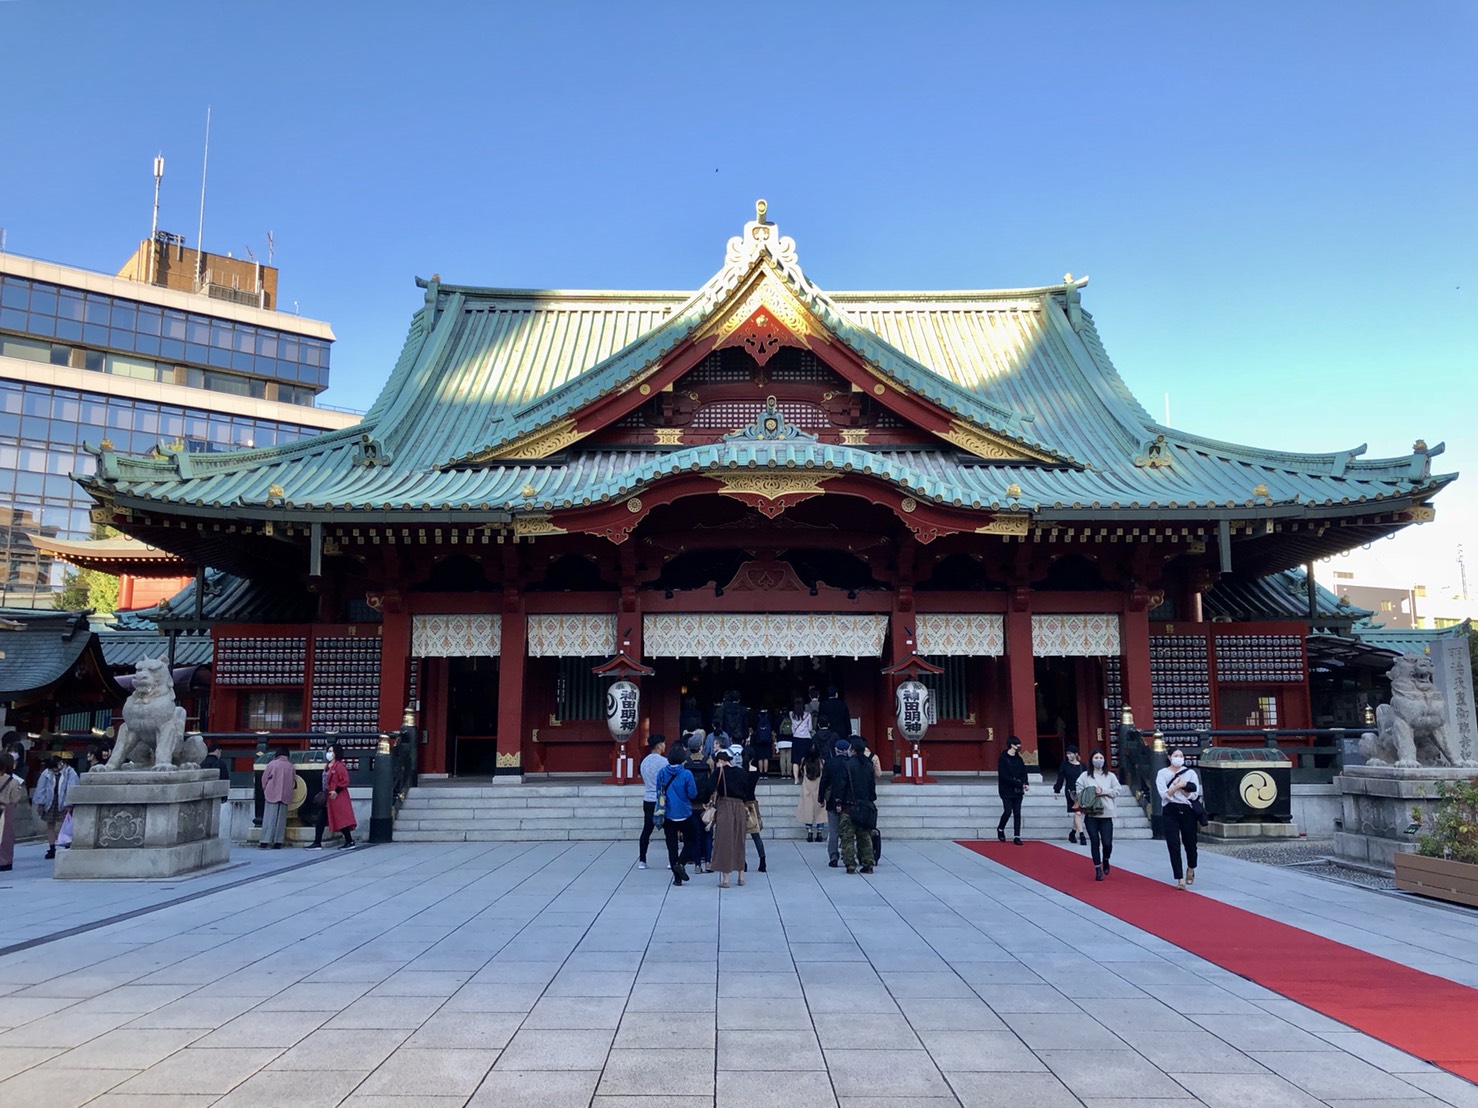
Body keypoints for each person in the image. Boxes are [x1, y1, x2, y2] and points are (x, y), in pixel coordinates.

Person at [1156, 748, 1202, 889]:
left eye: (1181, 756)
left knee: (1190, 843)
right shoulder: (1162, 773)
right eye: (1176, 755)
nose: (1179, 758)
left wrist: (1182, 786)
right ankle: (1179, 878)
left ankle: (1191, 867)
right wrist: (1178, 786)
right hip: (1170, 810)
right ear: (1170, 757)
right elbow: (1165, 794)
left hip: (1187, 809)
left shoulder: (1190, 773)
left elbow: (1194, 794)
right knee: (1173, 844)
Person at [708, 747, 749, 888]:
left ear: (720, 761)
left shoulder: (719, 772)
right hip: (740, 807)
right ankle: (741, 876)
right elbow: (748, 793)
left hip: (725, 806)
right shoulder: (742, 772)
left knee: (725, 841)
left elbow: (708, 789)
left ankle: (726, 879)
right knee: (739, 840)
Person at [658, 746, 697, 886]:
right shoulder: (687, 774)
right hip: (684, 813)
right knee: (691, 840)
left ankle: (677, 878)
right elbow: (692, 793)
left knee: (672, 846)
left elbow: (659, 792)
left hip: (668, 814)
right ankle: (681, 863)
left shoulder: (662, 773)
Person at [1081, 751, 1120, 880]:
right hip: (1091, 813)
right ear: (1091, 760)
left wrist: (1103, 791)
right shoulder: (1085, 776)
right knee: (1094, 841)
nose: (1099, 760)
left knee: (1107, 842)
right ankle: (1097, 868)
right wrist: (1090, 792)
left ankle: (1106, 858)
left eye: (1101, 757)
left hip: (1106, 813)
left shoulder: (1110, 776)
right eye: (1096, 758)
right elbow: (1078, 790)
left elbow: (1117, 791)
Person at [34, 755, 78, 860]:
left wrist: (69, 803)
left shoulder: (70, 772)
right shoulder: (46, 773)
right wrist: (41, 803)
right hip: (51, 801)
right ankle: (52, 847)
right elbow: (41, 788)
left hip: (64, 801)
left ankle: (67, 844)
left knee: (66, 824)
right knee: (50, 824)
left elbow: (72, 787)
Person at [817, 736, 852, 867]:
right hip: (848, 801)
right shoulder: (850, 762)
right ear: (847, 749)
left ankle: (833, 856)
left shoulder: (829, 763)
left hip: (832, 800)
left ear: (836, 750)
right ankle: (848, 854)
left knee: (834, 830)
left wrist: (820, 798)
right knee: (848, 830)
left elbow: (824, 782)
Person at [685, 736, 716, 873]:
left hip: (691, 806)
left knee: (695, 836)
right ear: (701, 747)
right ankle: (708, 862)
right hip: (706, 805)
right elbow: (713, 783)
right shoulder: (709, 761)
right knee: (708, 835)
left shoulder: (685, 763)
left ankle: (697, 865)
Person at [637, 733, 668, 869]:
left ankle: (642, 860)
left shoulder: (644, 762)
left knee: (647, 829)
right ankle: (671, 859)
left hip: (648, 797)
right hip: (661, 797)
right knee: (668, 829)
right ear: (659, 745)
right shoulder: (664, 762)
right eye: (663, 743)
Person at [738, 743, 767, 872]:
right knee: (756, 834)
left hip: (741, 803)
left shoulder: (739, 771)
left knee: (741, 836)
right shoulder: (756, 771)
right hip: (752, 803)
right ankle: (762, 861)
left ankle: (743, 863)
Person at [996, 735, 1029, 845]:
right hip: (1006, 789)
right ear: (1012, 745)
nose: (1019, 746)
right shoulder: (1003, 758)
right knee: (1007, 811)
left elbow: (1023, 772)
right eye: (1017, 744)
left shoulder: (1019, 759)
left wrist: (1025, 782)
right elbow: (1003, 776)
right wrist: (1018, 783)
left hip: (1017, 790)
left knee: (1017, 813)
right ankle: (1000, 829)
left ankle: (1017, 836)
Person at [259, 747, 295, 850]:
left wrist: (265, 789)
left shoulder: (272, 764)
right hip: (285, 795)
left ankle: (265, 841)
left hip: (272, 792)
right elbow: (293, 781)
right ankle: (278, 842)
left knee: (269, 818)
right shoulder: (290, 766)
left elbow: (264, 778)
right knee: (281, 819)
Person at [323, 742, 356, 849]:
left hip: (339, 795)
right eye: (328, 751)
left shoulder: (339, 766)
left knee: (342, 818)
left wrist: (337, 790)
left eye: (331, 751)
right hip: (330, 796)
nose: (329, 753)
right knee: (336, 818)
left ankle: (349, 840)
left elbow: (345, 780)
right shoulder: (327, 766)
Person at [1052, 745, 1087, 844]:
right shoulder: (1064, 765)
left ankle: (1072, 833)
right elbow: (1060, 778)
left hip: (1081, 792)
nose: (1069, 755)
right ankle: (1081, 834)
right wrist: (1056, 790)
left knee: (1078, 813)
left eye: (1071, 753)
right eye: (1067, 754)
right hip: (1070, 792)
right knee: (1078, 812)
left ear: (1076, 754)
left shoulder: (1082, 766)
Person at [794, 745, 826, 842]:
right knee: (820, 811)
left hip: (806, 788)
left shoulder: (804, 761)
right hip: (818, 788)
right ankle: (819, 832)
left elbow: (802, 772)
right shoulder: (821, 762)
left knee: (807, 810)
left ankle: (809, 831)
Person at [0, 752, 25, 872]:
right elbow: (15, 798)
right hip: (6, 808)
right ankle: (4, 861)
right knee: (6, 835)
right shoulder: (13, 781)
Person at [788, 696, 814, 783]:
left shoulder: (791, 714)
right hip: (806, 739)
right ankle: (806, 777)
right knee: (806, 759)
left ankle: (796, 779)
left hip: (796, 738)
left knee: (795, 760)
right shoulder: (808, 715)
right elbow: (810, 728)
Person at [751, 708, 774, 778]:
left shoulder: (757, 717)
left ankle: (761, 773)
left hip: (759, 739)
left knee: (760, 757)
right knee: (766, 757)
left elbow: (754, 727)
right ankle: (766, 773)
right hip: (767, 740)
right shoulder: (769, 716)